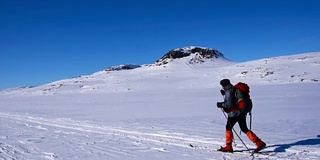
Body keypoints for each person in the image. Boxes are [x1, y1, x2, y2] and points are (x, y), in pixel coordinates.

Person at [217, 79, 266, 153]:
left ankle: (228, 146)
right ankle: (259, 142)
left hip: (234, 113)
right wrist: (224, 94)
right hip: (242, 112)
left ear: (223, 85)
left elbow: (229, 104)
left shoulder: (228, 91)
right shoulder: (233, 88)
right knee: (244, 128)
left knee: (228, 127)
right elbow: (234, 98)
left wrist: (220, 104)